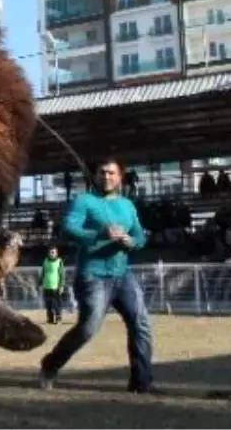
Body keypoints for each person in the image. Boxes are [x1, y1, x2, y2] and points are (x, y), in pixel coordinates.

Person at [39, 157, 159, 394]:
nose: (106, 177)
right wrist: (100, 233)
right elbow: (69, 229)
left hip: (123, 274)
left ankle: (141, 383)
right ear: (95, 176)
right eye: (102, 172)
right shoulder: (84, 201)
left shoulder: (127, 205)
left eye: (111, 173)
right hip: (93, 275)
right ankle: (50, 364)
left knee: (141, 324)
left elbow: (140, 237)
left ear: (120, 177)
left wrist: (131, 242)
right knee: (87, 329)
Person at [40, 245, 65, 324]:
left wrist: (61, 285)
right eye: (51, 252)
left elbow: (62, 274)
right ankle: (50, 319)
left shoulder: (59, 261)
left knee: (57, 304)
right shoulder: (45, 261)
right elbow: (43, 273)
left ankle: (58, 318)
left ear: (56, 253)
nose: (52, 254)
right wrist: (40, 283)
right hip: (46, 286)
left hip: (56, 286)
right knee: (48, 304)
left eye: (53, 252)